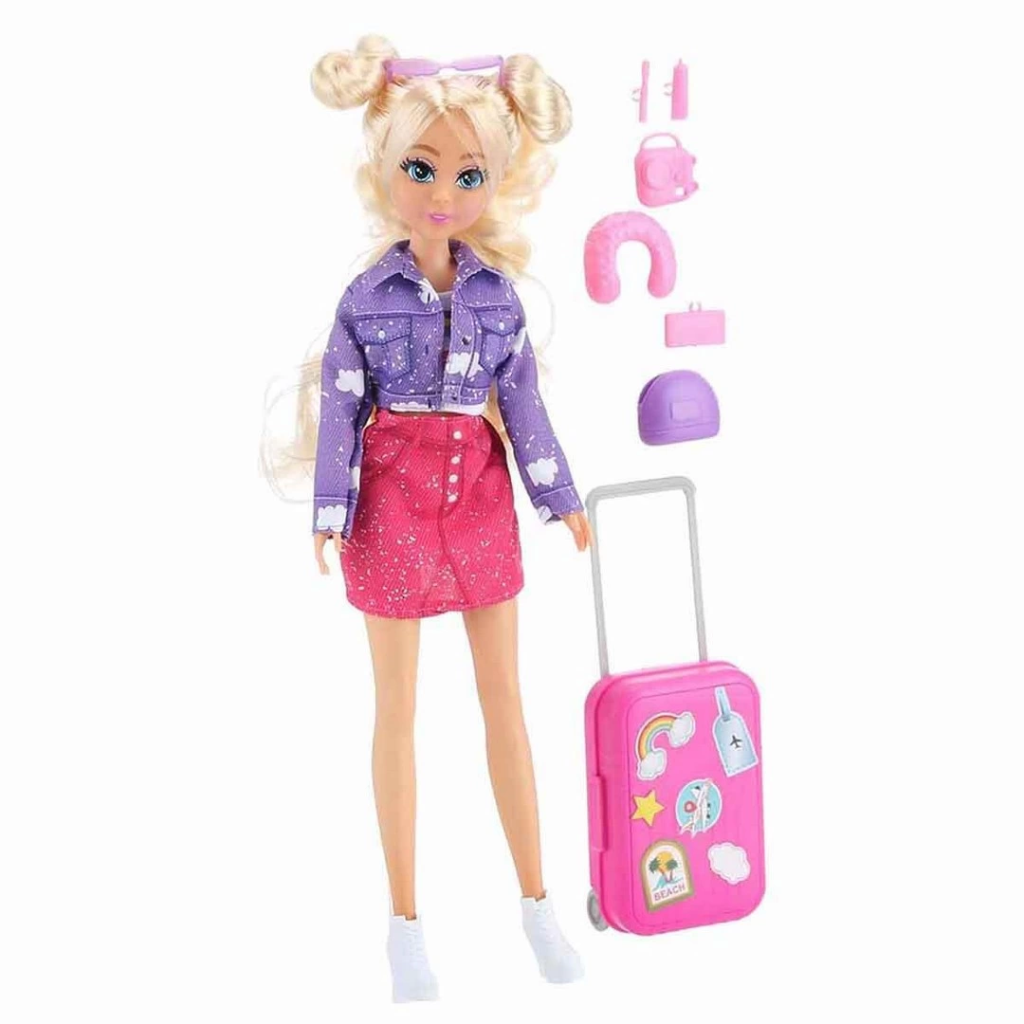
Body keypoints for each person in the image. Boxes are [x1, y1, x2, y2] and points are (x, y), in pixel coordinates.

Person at [263, 34, 592, 1002]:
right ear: (386, 167)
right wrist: (330, 507)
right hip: (393, 505)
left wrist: (558, 495)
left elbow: (523, 402)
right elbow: (341, 408)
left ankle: (537, 903)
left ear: (495, 180)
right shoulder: (365, 298)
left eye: (466, 174)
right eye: (421, 168)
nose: (442, 192)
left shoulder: (497, 296)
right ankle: (405, 925)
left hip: (480, 498)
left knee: (505, 701)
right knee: (397, 710)